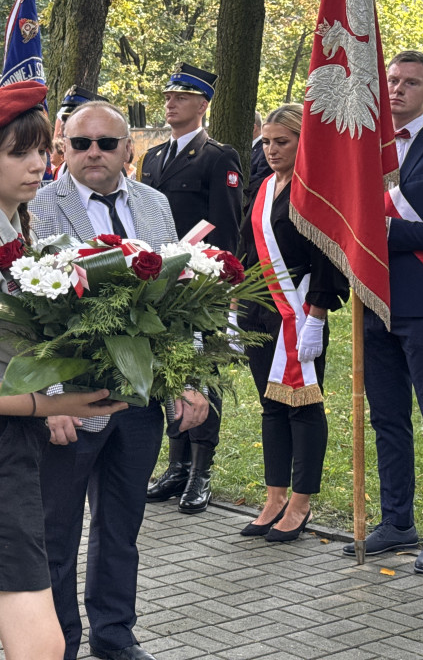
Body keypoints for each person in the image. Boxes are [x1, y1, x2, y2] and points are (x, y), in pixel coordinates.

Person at [0, 82, 126, 660]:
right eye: (21, 152)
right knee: (42, 644)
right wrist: (53, 404)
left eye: (43, 150)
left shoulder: (10, 227)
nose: (40, 165)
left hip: (5, 451)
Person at [29, 100, 207, 660]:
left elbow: (180, 299)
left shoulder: (154, 203)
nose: (94, 154)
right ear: (64, 149)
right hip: (72, 397)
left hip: (141, 397)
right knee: (57, 535)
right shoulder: (38, 208)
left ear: (129, 150)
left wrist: (188, 379)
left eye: (107, 143)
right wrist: (48, 400)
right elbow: (27, 311)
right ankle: (58, 644)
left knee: (120, 529)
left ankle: (114, 638)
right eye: (81, 143)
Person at [344, 50, 423, 570]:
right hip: (372, 302)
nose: (397, 90)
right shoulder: (363, 148)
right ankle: (396, 521)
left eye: (410, 83)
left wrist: (387, 232)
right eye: (391, 81)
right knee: (387, 419)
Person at [236, 104, 348, 543]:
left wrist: (317, 316)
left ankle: (301, 502)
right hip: (261, 312)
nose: (272, 149)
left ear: (304, 143)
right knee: (270, 406)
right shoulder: (264, 187)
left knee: (303, 407)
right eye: (267, 141)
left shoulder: (315, 191)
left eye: (282, 141)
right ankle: (274, 496)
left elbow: (328, 259)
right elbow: (247, 249)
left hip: (301, 311)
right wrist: (234, 304)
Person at [140, 62, 242, 515]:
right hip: (157, 284)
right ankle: (176, 465)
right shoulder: (154, 157)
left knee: (201, 374)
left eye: (181, 97)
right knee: (168, 372)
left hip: (198, 287)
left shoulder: (219, 156)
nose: (170, 103)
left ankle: (201, 470)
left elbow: (227, 226)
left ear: (202, 105)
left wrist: (214, 284)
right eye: (168, 96)